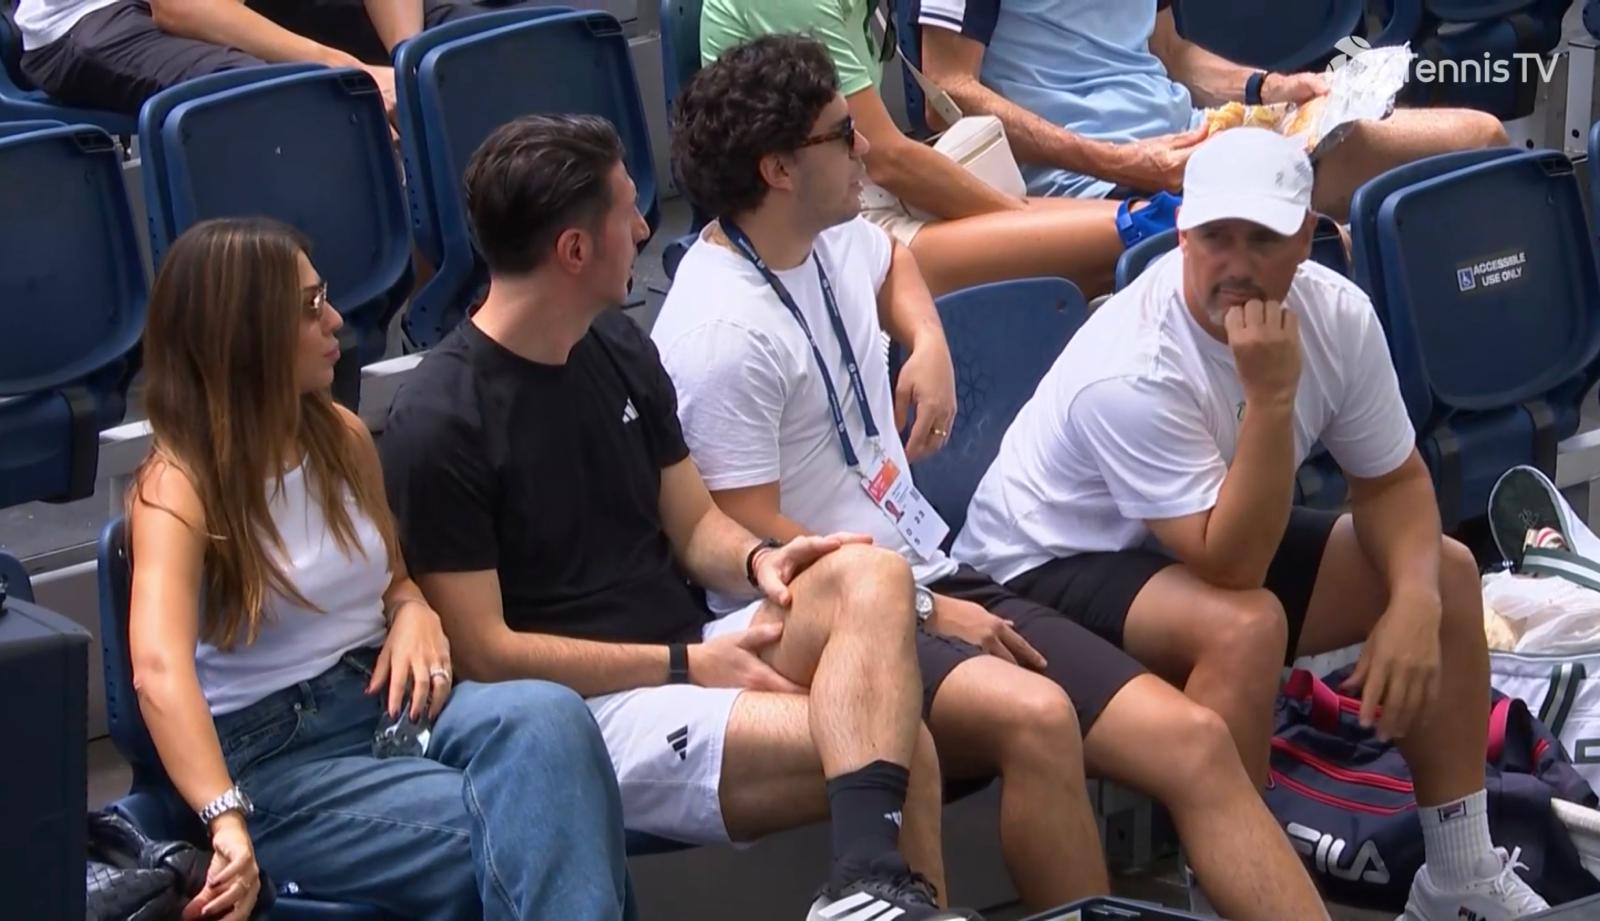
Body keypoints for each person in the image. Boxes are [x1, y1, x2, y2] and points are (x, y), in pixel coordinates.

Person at [654, 34, 1330, 919]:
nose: (867, 147)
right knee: (1038, 718)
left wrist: (927, 343)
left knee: (1194, 741)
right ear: (779, 169)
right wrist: (931, 610)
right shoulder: (720, 334)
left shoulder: (823, 234)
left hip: (929, 571)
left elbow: (893, 259)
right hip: (826, 622)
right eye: (839, 136)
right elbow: (755, 549)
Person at [378, 113, 982, 921]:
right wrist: (680, 664)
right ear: (574, 251)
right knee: (902, 747)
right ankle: (871, 885)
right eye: (628, 211)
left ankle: (865, 887)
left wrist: (760, 562)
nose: (643, 228)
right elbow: (488, 653)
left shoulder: (619, 349)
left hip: (690, 648)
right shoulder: (439, 418)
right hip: (585, 712)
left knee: (871, 573)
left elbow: (696, 527)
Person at [955, 127, 1549, 921]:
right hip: (1038, 566)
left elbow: (1396, 481)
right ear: (1181, 233)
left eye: (1263, 239)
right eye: (1215, 237)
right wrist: (1271, 399)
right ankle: (1231, 892)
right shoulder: (1131, 365)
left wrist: (1412, 603)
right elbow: (1230, 563)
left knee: (1441, 568)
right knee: (1242, 623)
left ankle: (1460, 873)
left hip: (1186, 545)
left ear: (1308, 237)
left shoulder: (1336, 312)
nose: (1236, 265)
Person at [125, 216, 635, 921]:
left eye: (325, 295)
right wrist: (225, 817)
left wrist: (413, 610)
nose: (336, 319)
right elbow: (157, 670)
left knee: (552, 715)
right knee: (539, 826)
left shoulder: (340, 434)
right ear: (245, 334)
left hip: (387, 699)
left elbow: (392, 576)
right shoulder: (177, 486)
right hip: (279, 756)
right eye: (308, 308)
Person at [912, 0, 1509, 218]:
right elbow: (946, 92)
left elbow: (1171, 52)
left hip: (1199, 142)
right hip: (1093, 185)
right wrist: (1121, 161)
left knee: (1479, 142)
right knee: (1331, 252)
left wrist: (1269, 88)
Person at [698, 0, 1124, 298]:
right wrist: (1024, 220)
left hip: (853, 193)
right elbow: (885, 157)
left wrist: (1031, 223)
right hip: (828, 222)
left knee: (1127, 225)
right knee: (1132, 232)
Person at [11, 0, 494, 116]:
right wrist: (348, 68)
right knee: (291, 96)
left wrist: (409, 64)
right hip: (94, 17)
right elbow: (181, 7)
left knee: (463, 37)